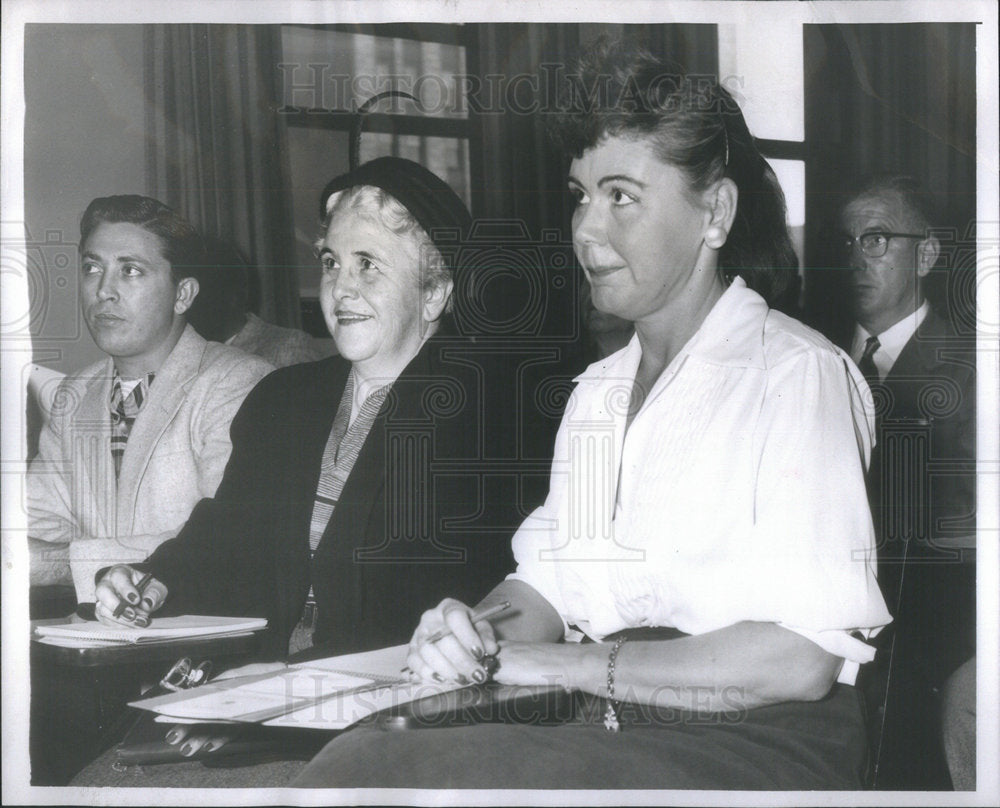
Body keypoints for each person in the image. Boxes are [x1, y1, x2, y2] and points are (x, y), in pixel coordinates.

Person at [291, 38, 892, 790]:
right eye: (581, 194)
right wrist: (472, 629)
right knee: (361, 753)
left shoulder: (797, 374)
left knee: (382, 771)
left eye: (622, 195)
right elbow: (543, 587)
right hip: (610, 724)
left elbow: (799, 660)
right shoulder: (597, 393)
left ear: (715, 211)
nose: (586, 229)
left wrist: (563, 662)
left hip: (757, 749)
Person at [73, 158, 537, 786]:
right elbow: (224, 533)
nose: (340, 289)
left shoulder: (494, 414)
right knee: (101, 781)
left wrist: (295, 678)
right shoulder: (284, 398)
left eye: (367, 265)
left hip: (393, 726)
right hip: (251, 704)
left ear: (435, 291)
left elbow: (485, 600)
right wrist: (152, 581)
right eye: (330, 262)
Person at [27, 195, 273, 603]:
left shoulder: (240, 382)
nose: (103, 291)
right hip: (95, 638)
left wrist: (61, 564)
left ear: (183, 295)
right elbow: (36, 524)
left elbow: (225, 542)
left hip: (203, 634)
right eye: (92, 268)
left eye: (131, 271)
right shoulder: (74, 394)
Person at [838, 176, 977, 789]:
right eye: (846, 242)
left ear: (925, 255)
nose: (854, 259)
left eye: (876, 239)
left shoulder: (973, 374)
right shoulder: (809, 357)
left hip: (924, 658)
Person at [186, 235, 327, 368]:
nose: (188, 306)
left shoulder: (288, 347)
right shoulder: (191, 352)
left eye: (200, 294)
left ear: (234, 297)